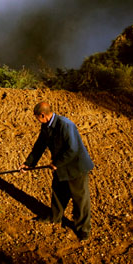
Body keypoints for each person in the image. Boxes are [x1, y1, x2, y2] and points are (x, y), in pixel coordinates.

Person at [19, 101, 94, 241]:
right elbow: (39, 145)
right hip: (62, 165)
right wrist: (28, 164)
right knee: (58, 192)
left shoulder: (65, 125)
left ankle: (83, 229)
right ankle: (55, 217)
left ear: (43, 115)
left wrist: (56, 163)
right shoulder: (46, 125)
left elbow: (73, 149)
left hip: (76, 166)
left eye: (37, 117)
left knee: (80, 199)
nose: (37, 120)